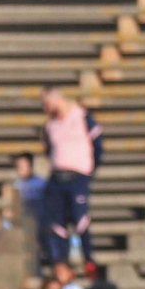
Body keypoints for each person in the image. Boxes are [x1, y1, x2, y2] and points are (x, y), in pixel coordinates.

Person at [39, 86, 104, 272]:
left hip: (78, 177)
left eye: (46, 103)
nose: (45, 108)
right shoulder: (50, 125)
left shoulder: (83, 117)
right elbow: (48, 149)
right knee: (57, 222)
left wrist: (90, 170)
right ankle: (61, 264)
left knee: (80, 218)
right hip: (57, 177)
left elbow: (98, 146)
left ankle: (89, 260)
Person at [3, 153, 47, 256]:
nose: (20, 169)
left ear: (31, 166)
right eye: (18, 166)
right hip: (21, 225)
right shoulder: (15, 185)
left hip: (39, 224)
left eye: (23, 165)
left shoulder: (41, 183)